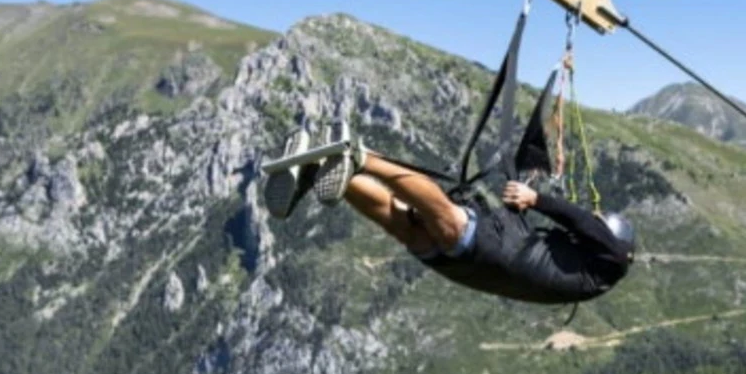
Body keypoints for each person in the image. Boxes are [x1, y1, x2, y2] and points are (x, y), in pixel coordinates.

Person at [264, 123, 634, 305]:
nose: (592, 220)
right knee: (404, 225)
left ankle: (361, 158)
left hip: (502, 251)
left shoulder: (612, 258)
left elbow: (585, 224)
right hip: (479, 273)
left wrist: (536, 200)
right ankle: (322, 174)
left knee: (440, 210)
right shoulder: (590, 279)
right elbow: (582, 232)